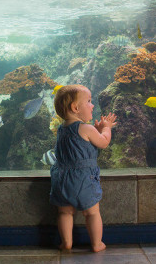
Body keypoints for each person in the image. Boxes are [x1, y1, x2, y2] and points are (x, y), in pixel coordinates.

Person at [50, 85, 117, 252]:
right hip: (83, 179)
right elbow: (103, 142)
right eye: (89, 101)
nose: (92, 105)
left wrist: (96, 131)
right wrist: (106, 128)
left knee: (64, 212)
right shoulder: (86, 128)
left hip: (62, 178)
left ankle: (66, 243)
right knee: (92, 213)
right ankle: (97, 244)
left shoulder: (61, 129)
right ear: (75, 108)